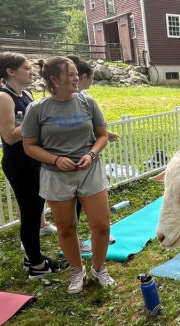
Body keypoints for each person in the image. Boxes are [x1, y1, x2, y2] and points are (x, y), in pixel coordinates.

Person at [22, 56, 115, 294]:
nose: (76, 78)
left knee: (102, 225)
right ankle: (77, 271)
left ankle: (99, 268)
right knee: (66, 228)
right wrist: (55, 159)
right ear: (54, 79)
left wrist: (92, 155)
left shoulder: (87, 102)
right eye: (71, 74)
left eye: (76, 74)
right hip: (56, 175)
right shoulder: (38, 109)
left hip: (89, 170)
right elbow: (29, 145)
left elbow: (102, 135)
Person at [0, 52, 62, 278]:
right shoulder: (2, 97)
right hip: (18, 162)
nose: (31, 73)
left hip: (34, 158)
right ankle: (37, 267)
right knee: (30, 214)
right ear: (10, 72)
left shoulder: (26, 94)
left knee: (36, 210)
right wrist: (43, 123)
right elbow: (8, 135)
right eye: (26, 69)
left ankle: (33, 257)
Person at [67, 55, 118, 254]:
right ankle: (77, 242)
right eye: (71, 76)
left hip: (88, 161)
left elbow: (96, 130)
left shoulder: (87, 101)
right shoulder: (46, 106)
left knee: (93, 202)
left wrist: (98, 142)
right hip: (66, 165)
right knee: (74, 205)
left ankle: (98, 233)